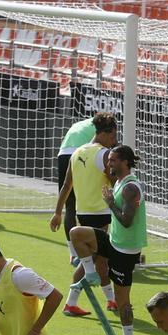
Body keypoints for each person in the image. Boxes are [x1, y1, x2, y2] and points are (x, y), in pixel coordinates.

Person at [68, 144, 146, 335]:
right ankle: (91, 274)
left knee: (123, 302)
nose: (108, 163)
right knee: (77, 233)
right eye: (109, 159)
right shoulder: (120, 182)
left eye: (113, 160)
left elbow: (127, 221)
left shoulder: (131, 187)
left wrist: (110, 202)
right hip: (113, 242)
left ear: (125, 162)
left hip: (125, 252)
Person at [49, 112, 119, 317]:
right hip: (102, 213)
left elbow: (66, 186)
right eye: (113, 136)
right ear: (105, 133)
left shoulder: (77, 152)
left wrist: (57, 213)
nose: (114, 141)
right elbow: (114, 181)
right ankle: (73, 301)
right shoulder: (105, 154)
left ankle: (110, 300)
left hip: (83, 213)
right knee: (99, 258)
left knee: (100, 258)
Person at [55, 115, 97, 244]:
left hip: (63, 154)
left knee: (70, 206)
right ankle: (89, 249)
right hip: (79, 155)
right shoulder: (102, 126)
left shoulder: (79, 125)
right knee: (89, 205)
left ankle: (73, 252)